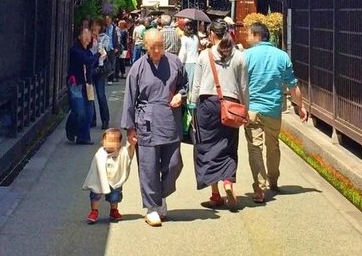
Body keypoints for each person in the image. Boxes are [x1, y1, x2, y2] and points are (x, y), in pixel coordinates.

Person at [122, 28, 188, 227]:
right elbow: (129, 99)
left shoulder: (175, 62)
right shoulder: (138, 67)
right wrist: (130, 128)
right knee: (148, 167)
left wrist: (180, 95)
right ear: (146, 47)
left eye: (160, 45)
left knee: (174, 164)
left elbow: (184, 84)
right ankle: (152, 207)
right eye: (153, 47)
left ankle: (161, 196)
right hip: (147, 122)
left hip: (170, 120)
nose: (158, 50)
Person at [243, 21, 309, 203]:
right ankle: (273, 180)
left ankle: (259, 188)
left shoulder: (246, 56)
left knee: (255, 148)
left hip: (252, 109)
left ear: (256, 36)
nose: (246, 38)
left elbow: (239, 83)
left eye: (248, 35)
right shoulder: (282, 56)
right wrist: (300, 106)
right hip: (273, 109)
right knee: (273, 146)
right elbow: (292, 85)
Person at [189, 20, 248, 207]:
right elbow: (244, 86)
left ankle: (215, 194)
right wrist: (246, 107)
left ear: (212, 35)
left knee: (207, 147)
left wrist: (191, 104)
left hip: (207, 105)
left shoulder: (205, 55)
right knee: (228, 146)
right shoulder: (239, 56)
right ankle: (228, 182)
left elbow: (196, 84)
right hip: (231, 106)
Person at [83, 128, 136, 224]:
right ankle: (94, 211)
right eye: (107, 141)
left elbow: (129, 156)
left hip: (114, 180)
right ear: (102, 141)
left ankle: (113, 211)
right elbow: (95, 167)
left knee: (114, 196)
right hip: (99, 180)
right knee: (95, 194)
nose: (110, 144)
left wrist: (132, 145)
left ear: (120, 143)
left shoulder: (122, 152)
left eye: (114, 142)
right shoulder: (100, 153)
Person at [66, 27, 99, 145]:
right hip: (76, 83)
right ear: (79, 36)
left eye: (89, 34)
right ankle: (70, 126)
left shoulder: (88, 52)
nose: (87, 36)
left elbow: (92, 66)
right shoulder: (75, 50)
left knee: (89, 112)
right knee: (79, 111)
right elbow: (87, 61)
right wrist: (98, 55)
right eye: (85, 33)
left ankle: (83, 137)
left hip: (88, 84)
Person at [89, 19, 111, 129]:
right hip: (89, 67)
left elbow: (104, 51)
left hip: (100, 68)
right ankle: (92, 119)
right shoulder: (88, 37)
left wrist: (98, 39)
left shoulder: (104, 37)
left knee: (101, 95)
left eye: (97, 25)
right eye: (94, 25)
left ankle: (105, 120)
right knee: (90, 95)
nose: (95, 27)